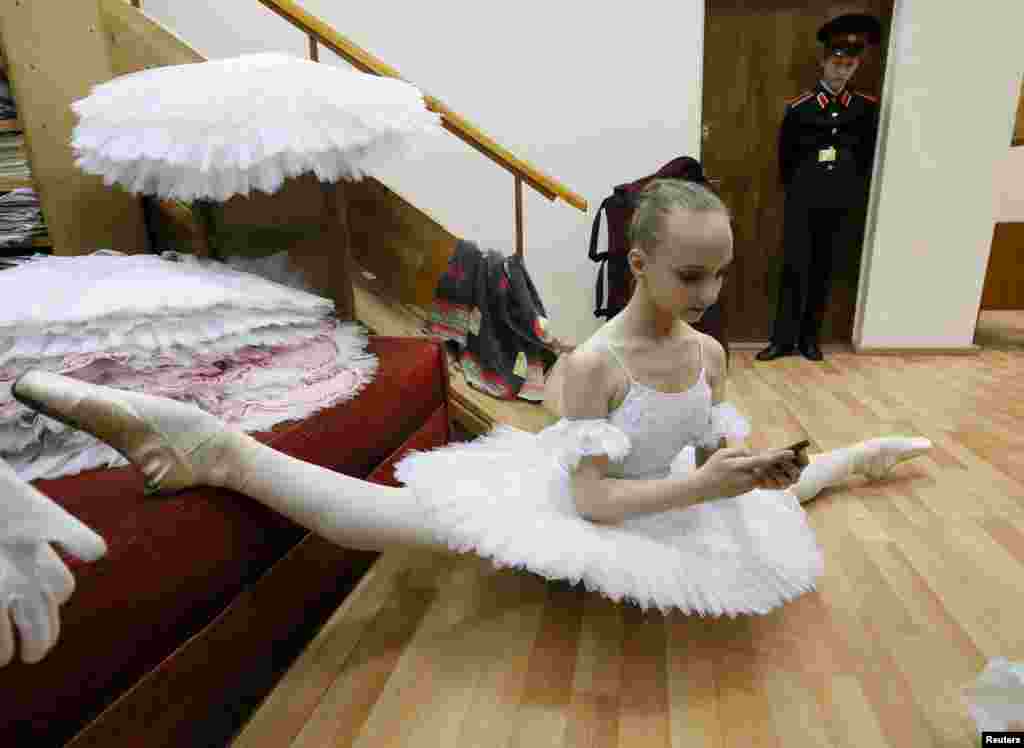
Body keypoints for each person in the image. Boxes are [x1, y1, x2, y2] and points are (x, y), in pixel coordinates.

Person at [1, 178, 933, 667]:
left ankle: (855, 462)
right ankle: (213, 449)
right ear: (640, 260)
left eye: (722, 273)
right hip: (586, 505)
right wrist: (708, 481)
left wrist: (754, 462)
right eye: (692, 276)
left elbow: (715, 460)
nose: (711, 293)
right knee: (396, 525)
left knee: (768, 501)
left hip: (664, 498)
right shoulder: (591, 366)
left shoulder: (710, 352)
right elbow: (599, 506)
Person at [758, 12, 882, 362]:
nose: (842, 71)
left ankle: (809, 340)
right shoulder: (801, 108)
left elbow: (865, 156)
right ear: (824, 62)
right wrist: (798, 189)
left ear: (856, 67)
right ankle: (782, 340)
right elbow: (786, 157)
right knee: (794, 268)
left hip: (840, 201)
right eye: (836, 63)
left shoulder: (863, 108)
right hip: (803, 199)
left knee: (823, 271)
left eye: (849, 65)